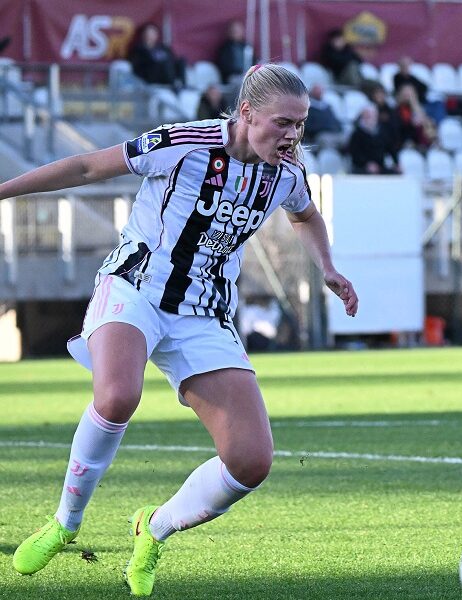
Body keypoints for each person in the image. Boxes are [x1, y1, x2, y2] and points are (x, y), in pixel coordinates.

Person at [8, 63, 359, 597]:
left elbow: (305, 216)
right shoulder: (184, 143)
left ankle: (154, 528)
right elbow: (85, 166)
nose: (293, 135)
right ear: (247, 113)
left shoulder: (286, 174)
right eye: (283, 122)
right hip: (136, 288)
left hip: (204, 313)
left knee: (250, 462)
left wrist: (328, 267)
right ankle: (65, 524)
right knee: (117, 396)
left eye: (300, 124)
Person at [128, 23, 185, 89]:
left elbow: (173, 59)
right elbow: (137, 66)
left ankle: (182, 84)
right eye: (148, 33)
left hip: (167, 71)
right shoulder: (139, 49)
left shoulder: (163, 48)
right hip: (151, 74)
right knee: (162, 63)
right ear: (143, 34)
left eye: (153, 33)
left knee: (181, 61)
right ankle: (172, 84)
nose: (151, 35)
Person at [348, 104, 399, 174]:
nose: (369, 118)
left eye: (371, 115)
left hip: (380, 166)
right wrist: (367, 164)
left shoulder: (383, 131)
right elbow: (355, 154)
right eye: (366, 115)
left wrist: (396, 163)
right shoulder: (356, 134)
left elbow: (391, 148)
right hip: (362, 167)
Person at [216, 20, 255, 84]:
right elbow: (224, 67)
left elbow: (254, 61)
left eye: (237, 31)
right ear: (229, 32)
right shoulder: (225, 48)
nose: (235, 33)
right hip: (232, 77)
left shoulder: (247, 47)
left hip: (248, 74)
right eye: (233, 31)